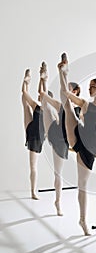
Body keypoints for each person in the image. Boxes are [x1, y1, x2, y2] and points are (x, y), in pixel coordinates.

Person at [58, 53, 96, 235]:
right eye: (89, 87)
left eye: (93, 87)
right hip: (77, 136)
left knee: (82, 184)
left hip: (90, 148)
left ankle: (82, 220)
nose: (90, 89)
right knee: (67, 106)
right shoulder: (85, 104)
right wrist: (62, 73)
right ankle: (63, 70)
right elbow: (66, 94)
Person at [38, 62, 81, 216]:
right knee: (46, 101)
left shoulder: (79, 108)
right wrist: (43, 80)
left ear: (75, 91)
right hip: (53, 130)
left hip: (62, 140)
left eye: (69, 88)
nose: (65, 90)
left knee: (58, 173)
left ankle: (58, 202)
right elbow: (42, 95)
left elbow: (84, 122)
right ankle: (45, 77)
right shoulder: (62, 105)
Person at [22, 68, 45, 200]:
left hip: (35, 135)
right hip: (34, 135)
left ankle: (33, 191)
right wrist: (41, 79)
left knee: (25, 103)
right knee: (33, 167)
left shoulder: (45, 109)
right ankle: (33, 192)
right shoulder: (41, 107)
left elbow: (25, 93)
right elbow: (27, 93)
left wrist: (27, 82)